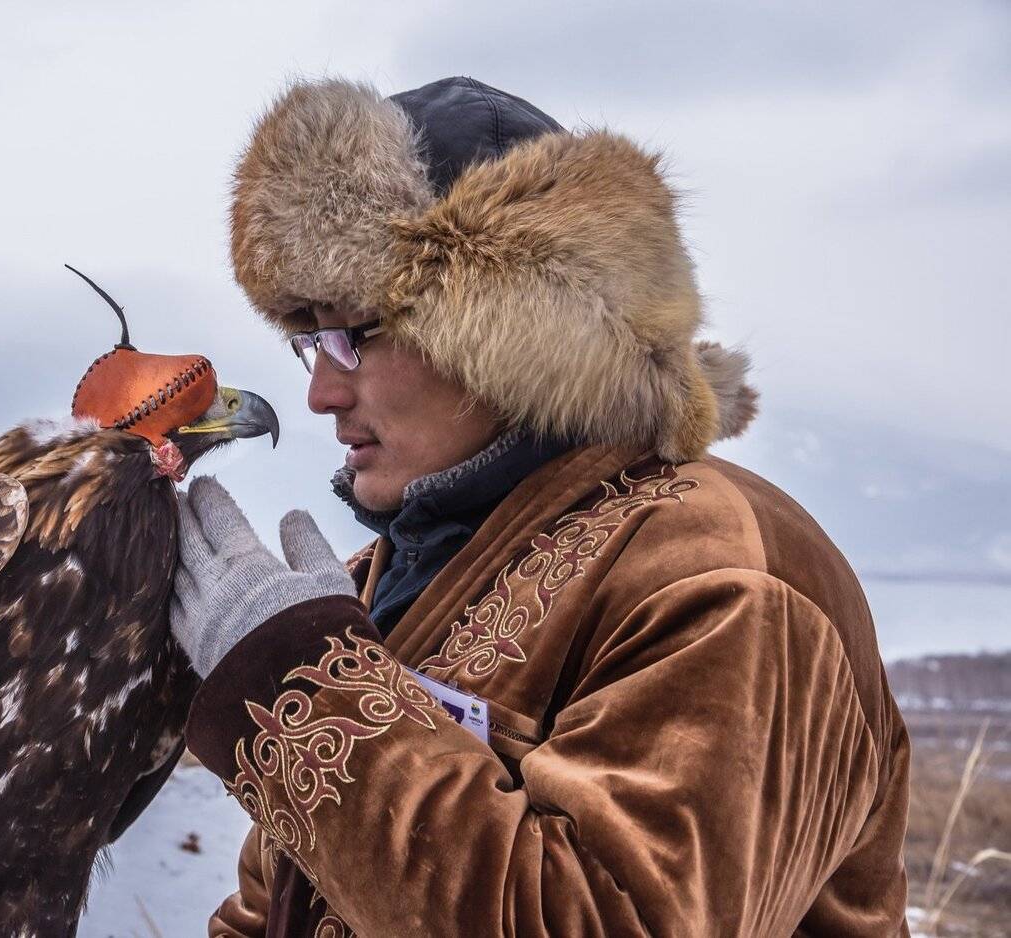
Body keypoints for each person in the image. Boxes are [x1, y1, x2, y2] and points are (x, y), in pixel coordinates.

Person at [167, 76, 911, 937]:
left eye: (352, 333)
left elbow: (612, 921)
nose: (322, 393)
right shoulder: (385, 582)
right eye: (309, 343)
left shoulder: (720, 571)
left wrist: (299, 689)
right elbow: (278, 912)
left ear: (507, 327)